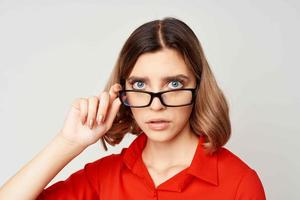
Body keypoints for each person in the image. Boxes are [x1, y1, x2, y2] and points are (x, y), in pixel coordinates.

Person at [0, 17, 266, 200]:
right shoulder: (103, 178)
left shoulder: (239, 183)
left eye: (174, 83)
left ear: (198, 87)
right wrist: (68, 142)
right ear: (122, 90)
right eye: (140, 84)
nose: (156, 104)